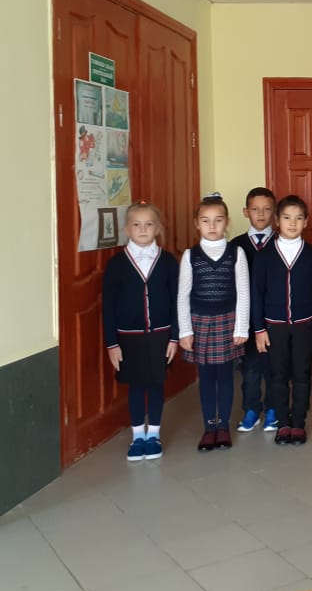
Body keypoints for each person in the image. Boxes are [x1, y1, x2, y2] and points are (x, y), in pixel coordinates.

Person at [102, 201, 179, 461]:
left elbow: (177, 300)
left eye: (148, 224)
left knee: (156, 384)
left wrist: (175, 337)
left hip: (161, 335)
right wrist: (112, 343)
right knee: (135, 386)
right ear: (127, 229)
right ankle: (137, 436)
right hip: (128, 337)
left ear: (157, 229)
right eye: (136, 224)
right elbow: (108, 307)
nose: (143, 229)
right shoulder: (116, 264)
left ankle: (154, 434)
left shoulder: (167, 261)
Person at [250, 194, 312, 446]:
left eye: (298, 218)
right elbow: (256, 294)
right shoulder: (264, 256)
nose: (292, 223)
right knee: (277, 375)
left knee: (302, 374)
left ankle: (298, 422)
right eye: (286, 218)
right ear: (277, 220)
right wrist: (259, 329)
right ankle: (283, 422)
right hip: (274, 326)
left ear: (306, 221)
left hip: (305, 325)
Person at [178, 193, 249, 452]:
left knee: (225, 376)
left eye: (218, 220)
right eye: (205, 220)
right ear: (196, 223)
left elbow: (243, 292)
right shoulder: (191, 255)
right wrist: (185, 331)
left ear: (226, 222)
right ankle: (209, 427)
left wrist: (241, 327)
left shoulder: (236, 253)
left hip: (228, 322)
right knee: (207, 377)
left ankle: (224, 426)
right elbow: (183, 295)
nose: (212, 226)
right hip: (200, 324)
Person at [233, 188, 279, 435]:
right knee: (250, 368)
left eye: (267, 209)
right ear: (245, 212)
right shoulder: (235, 246)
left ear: (275, 212)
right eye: (255, 209)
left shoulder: (283, 242)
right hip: (247, 319)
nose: (261, 214)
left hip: (275, 317)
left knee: (274, 366)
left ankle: (273, 409)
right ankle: (251, 409)